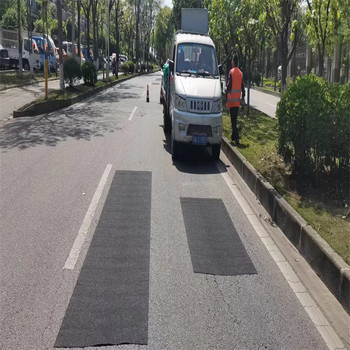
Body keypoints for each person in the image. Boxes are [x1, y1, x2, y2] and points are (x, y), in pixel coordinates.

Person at [226, 55, 245, 145]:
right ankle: (234, 137)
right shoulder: (240, 73)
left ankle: (236, 137)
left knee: (233, 120)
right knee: (235, 119)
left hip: (231, 100)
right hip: (237, 100)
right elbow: (243, 86)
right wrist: (243, 98)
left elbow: (229, 84)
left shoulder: (231, 72)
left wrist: (226, 88)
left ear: (233, 62)